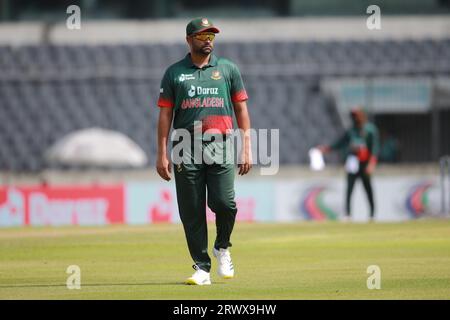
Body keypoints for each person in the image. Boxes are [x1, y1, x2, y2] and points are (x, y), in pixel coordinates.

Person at [156, 17, 252, 285]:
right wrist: (161, 153)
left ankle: (222, 246)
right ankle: (202, 268)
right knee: (191, 210)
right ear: (189, 39)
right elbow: (165, 116)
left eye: (211, 35)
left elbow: (242, 110)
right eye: (202, 35)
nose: (208, 39)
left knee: (225, 203)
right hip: (185, 146)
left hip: (220, 144)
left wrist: (247, 147)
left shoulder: (228, 69)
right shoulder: (174, 73)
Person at [317, 107, 379, 222]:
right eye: (352, 115)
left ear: (362, 115)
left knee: (368, 189)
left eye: (356, 115)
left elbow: (374, 149)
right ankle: (348, 214)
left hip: (364, 164)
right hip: (353, 163)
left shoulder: (370, 130)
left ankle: (372, 214)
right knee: (349, 189)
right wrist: (327, 148)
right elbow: (340, 143)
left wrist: (371, 164)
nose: (354, 118)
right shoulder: (351, 131)